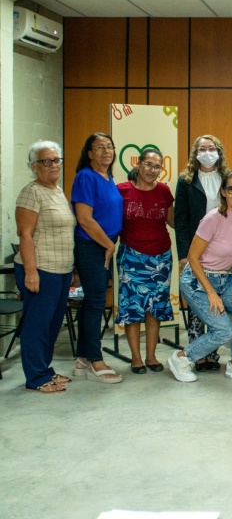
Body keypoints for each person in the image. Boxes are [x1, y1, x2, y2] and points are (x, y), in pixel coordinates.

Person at [168, 172, 232, 383]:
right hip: (197, 281)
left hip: (224, 278)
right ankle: (182, 358)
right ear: (224, 192)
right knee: (224, 330)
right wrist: (210, 292)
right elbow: (192, 257)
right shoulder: (213, 218)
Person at [14, 141, 75, 392]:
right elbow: (25, 235)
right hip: (40, 270)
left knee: (52, 324)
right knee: (37, 325)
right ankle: (36, 378)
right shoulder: (31, 192)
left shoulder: (57, 190)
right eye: (46, 161)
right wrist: (31, 271)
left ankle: (45, 370)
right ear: (34, 166)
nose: (53, 165)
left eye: (56, 160)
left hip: (61, 270)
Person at [70, 132, 124, 384]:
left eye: (110, 146)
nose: (106, 151)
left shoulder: (108, 177)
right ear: (89, 153)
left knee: (93, 301)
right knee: (95, 303)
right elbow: (84, 219)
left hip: (104, 246)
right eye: (99, 147)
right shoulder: (85, 177)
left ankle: (82, 358)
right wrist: (108, 245)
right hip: (92, 246)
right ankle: (95, 360)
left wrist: (110, 244)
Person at [116, 148, 175, 375]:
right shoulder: (122, 191)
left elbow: (173, 222)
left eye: (157, 166)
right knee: (133, 309)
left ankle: (151, 356)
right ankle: (136, 358)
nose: (152, 170)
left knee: (155, 309)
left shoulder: (164, 191)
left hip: (161, 258)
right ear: (138, 164)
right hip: (132, 257)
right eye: (148, 164)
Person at [175, 135, 230, 372]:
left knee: (215, 299)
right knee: (198, 301)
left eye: (211, 148)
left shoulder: (228, 178)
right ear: (195, 153)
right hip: (196, 249)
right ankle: (197, 354)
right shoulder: (186, 180)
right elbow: (180, 219)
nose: (207, 152)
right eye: (202, 148)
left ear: (219, 151)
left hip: (220, 249)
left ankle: (212, 354)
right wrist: (184, 255)